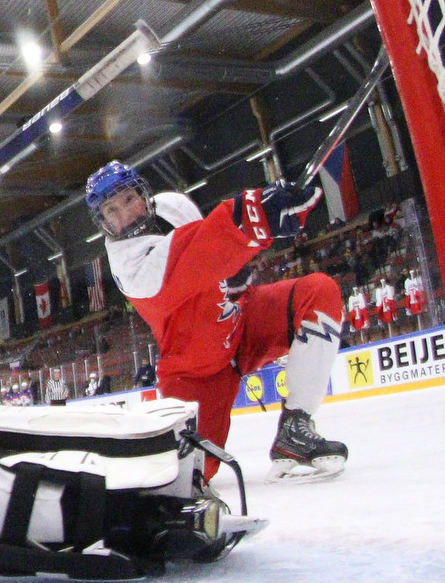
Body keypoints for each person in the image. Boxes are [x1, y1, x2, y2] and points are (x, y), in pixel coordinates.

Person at [87, 161, 348, 481]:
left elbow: (213, 255)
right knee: (188, 475)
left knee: (319, 293)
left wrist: (234, 275)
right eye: (112, 210)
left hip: (242, 324)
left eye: (129, 199)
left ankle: (296, 427)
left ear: (143, 194)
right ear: (104, 222)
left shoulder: (172, 206)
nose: (126, 214)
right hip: (195, 372)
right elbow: (199, 253)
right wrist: (259, 212)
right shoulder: (131, 267)